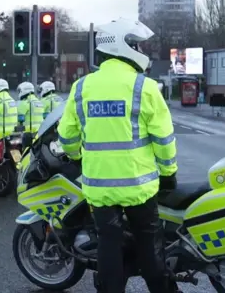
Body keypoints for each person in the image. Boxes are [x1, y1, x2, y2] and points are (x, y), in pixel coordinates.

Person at [57, 18, 179, 293]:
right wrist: (169, 172)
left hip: (99, 187)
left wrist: (76, 156)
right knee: (150, 244)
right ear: (123, 47)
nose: (140, 49)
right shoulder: (144, 87)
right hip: (140, 186)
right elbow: (163, 138)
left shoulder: (81, 87)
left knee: (108, 243)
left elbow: (67, 137)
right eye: (135, 44)